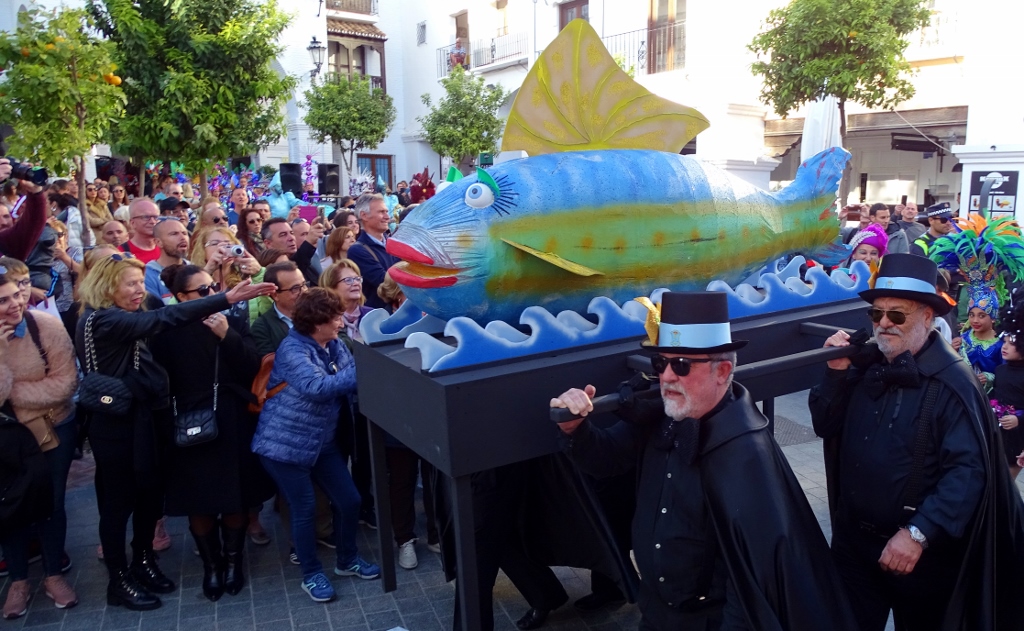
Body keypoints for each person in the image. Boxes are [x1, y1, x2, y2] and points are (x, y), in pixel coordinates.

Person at [554, 291, 856, 630]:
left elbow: (750, 582)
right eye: (661, 363)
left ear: (722, 370)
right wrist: (575, 429)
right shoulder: (662, 416)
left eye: (681, 364)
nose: (667, 376)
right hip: (656, 612)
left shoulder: (745, 452)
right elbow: (605, 458)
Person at [810, 253, 1024, 630]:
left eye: (898, 314)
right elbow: (825, 425)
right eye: (877, 314)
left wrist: (918, 533)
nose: (884, 324)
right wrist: (835, 373)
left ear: (928, 318)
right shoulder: (865, 365)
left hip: (922, 554)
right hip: (853, 546)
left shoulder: (954, 382)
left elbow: (968, 472)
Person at [75, 255, 273, 611]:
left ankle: (143, 562)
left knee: (149, 498)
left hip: (147, 418)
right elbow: (165, 317)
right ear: (107, 287)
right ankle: (119, 581)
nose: (141, 290)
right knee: (119, 504)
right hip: (116, 424)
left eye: (141, 281)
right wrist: (225, 298)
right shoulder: (102, 319)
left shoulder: (136, 309)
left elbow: (246, 363)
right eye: (131, 284)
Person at [149, 264, 273, 602]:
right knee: (198, 500)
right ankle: (211, 565)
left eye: (212, 289)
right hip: (188, 420)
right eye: (201, 292)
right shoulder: (165, 331)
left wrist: (227, 336)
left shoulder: (231, 322)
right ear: (180, 298)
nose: (211, 296)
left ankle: (233, 562)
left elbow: (252, 367)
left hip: (230, 419)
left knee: (233, 495)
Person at [251, 288, 380, 603]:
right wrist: (366, 364)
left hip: (321, 442)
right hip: (283, 446)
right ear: (315, 323)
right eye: (334, 318)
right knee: (305, 509)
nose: (340, 322)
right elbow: (318, 387)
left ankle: (347, 561)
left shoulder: (333, 343)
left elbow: (345, 375)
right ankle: (311, 574)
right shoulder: (292, 349)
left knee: (349, 501)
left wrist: (357, 365)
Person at [0, 269, 80, 618]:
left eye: (17, 294)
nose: (14, 304)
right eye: (2, 300)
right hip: (6, 440)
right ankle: (18, 581)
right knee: (9, 506)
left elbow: (64, 385)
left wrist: (12, 396)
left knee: (52, 503)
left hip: (52, 430)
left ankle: (53, 574)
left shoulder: (45, 325)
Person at [346, 193, 397, 310]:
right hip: (376, 319)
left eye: (386, 212)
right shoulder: (357, 250)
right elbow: (386, 283)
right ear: (364, 215)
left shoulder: (394, 244)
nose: (387, 217)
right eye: (381, 212)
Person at [252, 261, 307, 357]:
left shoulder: (319, 311)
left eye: (304, 285)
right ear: (275, 294)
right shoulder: (262, 327)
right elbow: (271, 364)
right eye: (295, 288)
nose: (304, 292)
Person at [262, 217, 324, 286]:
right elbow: (297, 262)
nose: (291, 238)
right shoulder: (268, 269)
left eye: (292, 233)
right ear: (268, 243)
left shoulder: (312, 259)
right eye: (283, 235)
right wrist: (309, 243)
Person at [320, 260, 371, 343]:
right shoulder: (324, 320)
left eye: (358, 279)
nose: (356, 283)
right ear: (331, 287)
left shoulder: (372, 315)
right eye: (348, 280)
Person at [145, 219, 191, 305]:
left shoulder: (193, 268)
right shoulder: (148, 275)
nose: (182, 238)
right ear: (158, 242)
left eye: (184, 233)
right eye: (174, 234)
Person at [123, 199, 162, 263]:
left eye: (156, 217)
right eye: (146, 217)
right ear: (132, 223)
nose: (152, 222)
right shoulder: (121, 253)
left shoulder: (167, 249)